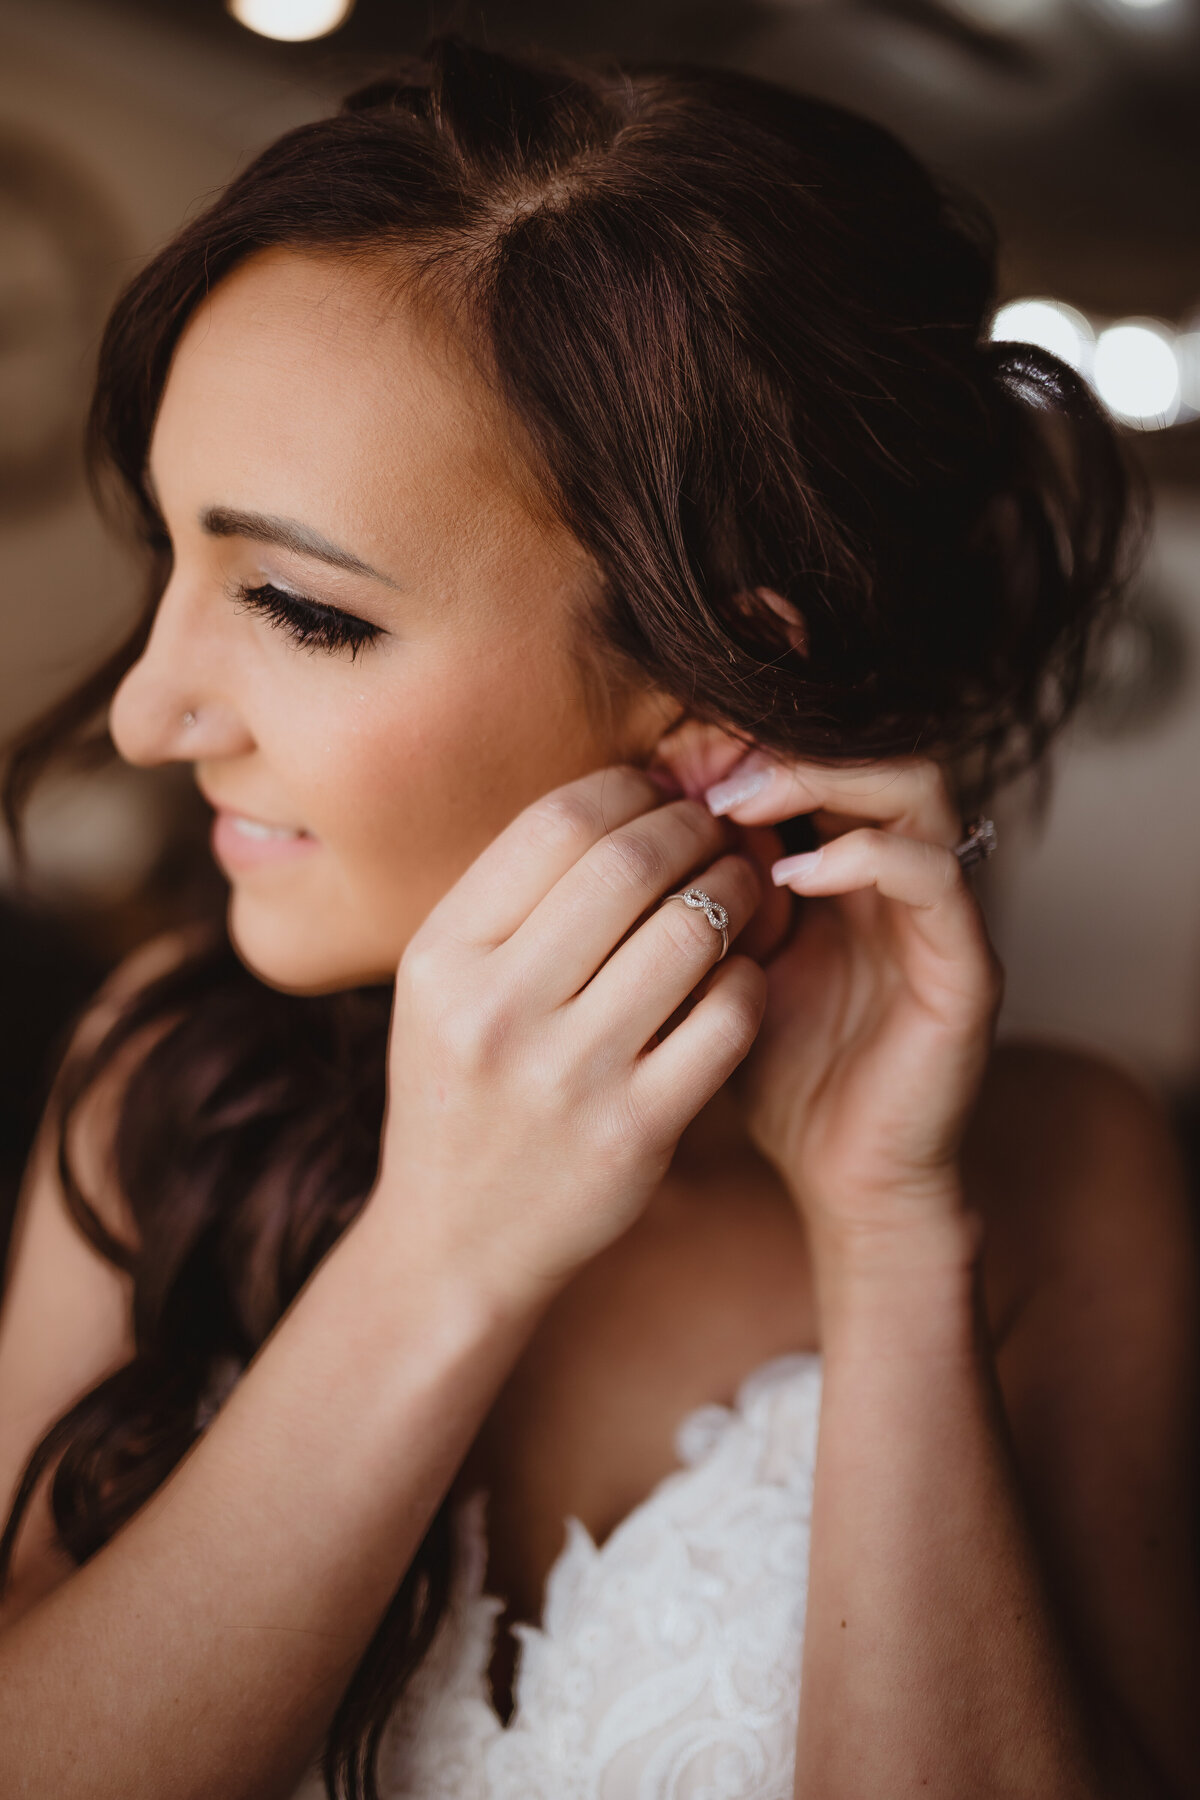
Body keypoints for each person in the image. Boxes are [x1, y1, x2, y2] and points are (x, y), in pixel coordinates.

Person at [0, 36, 1196, 1800]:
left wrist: (886, 1238)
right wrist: (446, 1247)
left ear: (717, 685)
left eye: (300, 609)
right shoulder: (169, 1072)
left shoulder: (1062, 1175)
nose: (147, 712)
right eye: (169, 555)